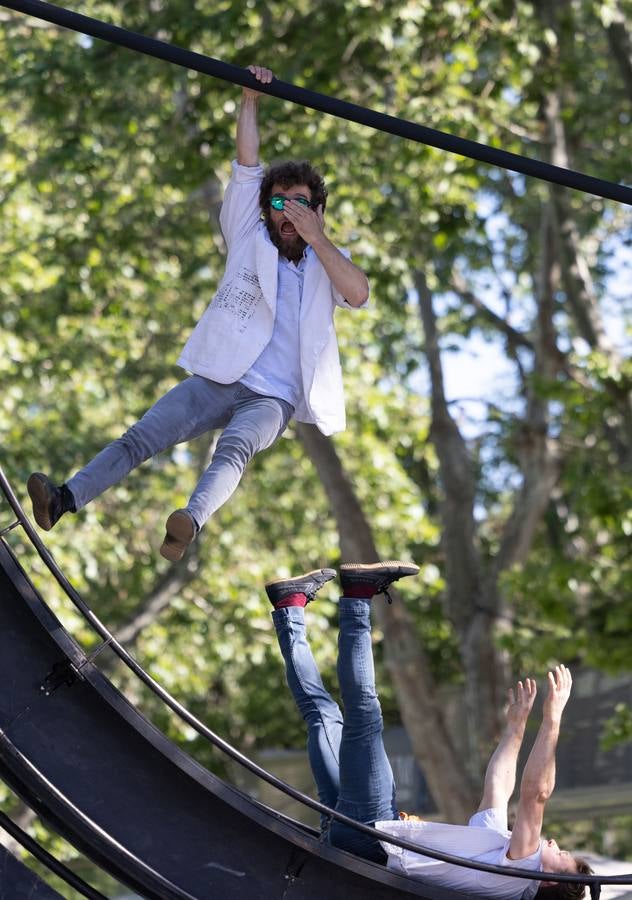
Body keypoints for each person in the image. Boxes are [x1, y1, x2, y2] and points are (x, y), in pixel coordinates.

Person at [26, 64, 369, 561]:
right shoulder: (248, 236)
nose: (288, 212)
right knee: (141, 436)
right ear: (264, 210)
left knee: (235, 450)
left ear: (317, 210)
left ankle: (190, 521)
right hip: (220, 374)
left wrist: (317, 235)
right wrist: (249, 99)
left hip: (273, 397)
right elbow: (247, 164)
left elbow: (358, 294)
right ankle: (65, 498)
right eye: (279, 203)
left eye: (300, 204)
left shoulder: (326, 262)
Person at [266, 562, 593, 899]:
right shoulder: (497, 858)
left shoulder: (520, 874)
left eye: (562, 855)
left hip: (373, 834)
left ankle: (358, 596)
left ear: (549, 880)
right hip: (359, 839)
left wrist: (552, 718)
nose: (554, 843)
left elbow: (535, 795)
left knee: (365, 714)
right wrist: (516, 728)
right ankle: (290, 607)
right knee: (323, 717)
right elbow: (498, 788)